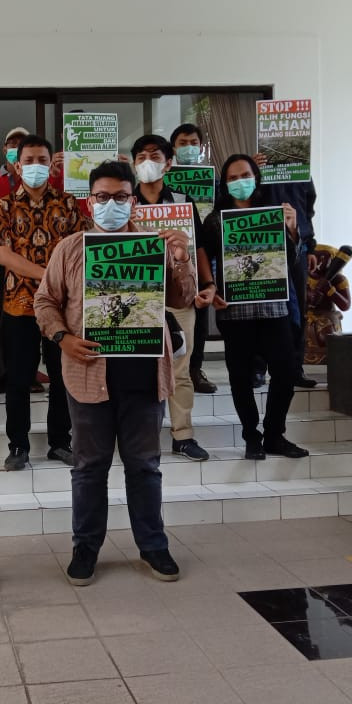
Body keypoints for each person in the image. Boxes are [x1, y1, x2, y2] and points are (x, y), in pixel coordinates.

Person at [35, 161, 196, 585]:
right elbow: (45, 302)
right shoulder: (69, 249)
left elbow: (183, 299)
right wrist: (62, 338)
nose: (112, 204)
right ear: (90, 202)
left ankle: (154, 547)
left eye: (121, 197)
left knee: (144, 465)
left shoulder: (154, 245)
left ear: (133, 201)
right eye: (102, 197)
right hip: (88, 374)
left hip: (145, 375)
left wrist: (181, 258)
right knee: (89, 466)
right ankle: (85, 548)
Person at [0, 135, 87, 471]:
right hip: (20, 305)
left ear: (51, 164)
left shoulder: (69, 203)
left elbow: (80, 249)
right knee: (18, 378)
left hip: (63, 307)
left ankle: (61, 442)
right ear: (17, 165)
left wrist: (58, 281)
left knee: (62, 377)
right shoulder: (3, 206)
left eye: (41, 159)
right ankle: (18, 445)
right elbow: (3, 255)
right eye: (28, 160)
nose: (35, 166)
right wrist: (49, 275)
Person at [201, 155, 309, 461]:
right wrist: (211, 287)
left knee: (285, 373)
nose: (240, 182)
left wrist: (291, 228)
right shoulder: (215, 220)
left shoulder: (275, 213)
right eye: (233, 177)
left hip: (274, 309)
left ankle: (275, 434)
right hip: (235, 312)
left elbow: (289, 261)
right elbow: (203, 258)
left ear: (257, 177)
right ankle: (252, 435)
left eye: (245, 175)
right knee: (240, 376)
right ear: (224, 183)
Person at [131, 134, 215, 463]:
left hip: (179, 298)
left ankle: (183, 435)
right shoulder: (126, 203)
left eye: (154, 155)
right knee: (139, 370)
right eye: (140, 157)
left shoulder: (182, 201)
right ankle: (140, 436)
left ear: (168, 163)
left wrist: (207, 284)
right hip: (139, 298)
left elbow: (200, 248)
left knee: (180, 369)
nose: (147, 161)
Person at [253, 151, 318, 389]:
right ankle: (257, 369)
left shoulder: (301, 172)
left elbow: (307, 210)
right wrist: (255, 170)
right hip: (261, 244)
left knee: (297, 310)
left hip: (296, 247)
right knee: (260, 304)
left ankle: (294, 368)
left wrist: (310, 246)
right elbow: (244, 201)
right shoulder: (256, 169)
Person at [170, 123, 217, 394]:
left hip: (198, 253)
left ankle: (194, 368)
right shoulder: (161, 184)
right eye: (182, 142)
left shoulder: (212, 181)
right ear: (173, 149)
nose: (188, 147)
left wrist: (209, 281)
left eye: (193, 142)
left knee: (196, 316)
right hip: (167, 260)